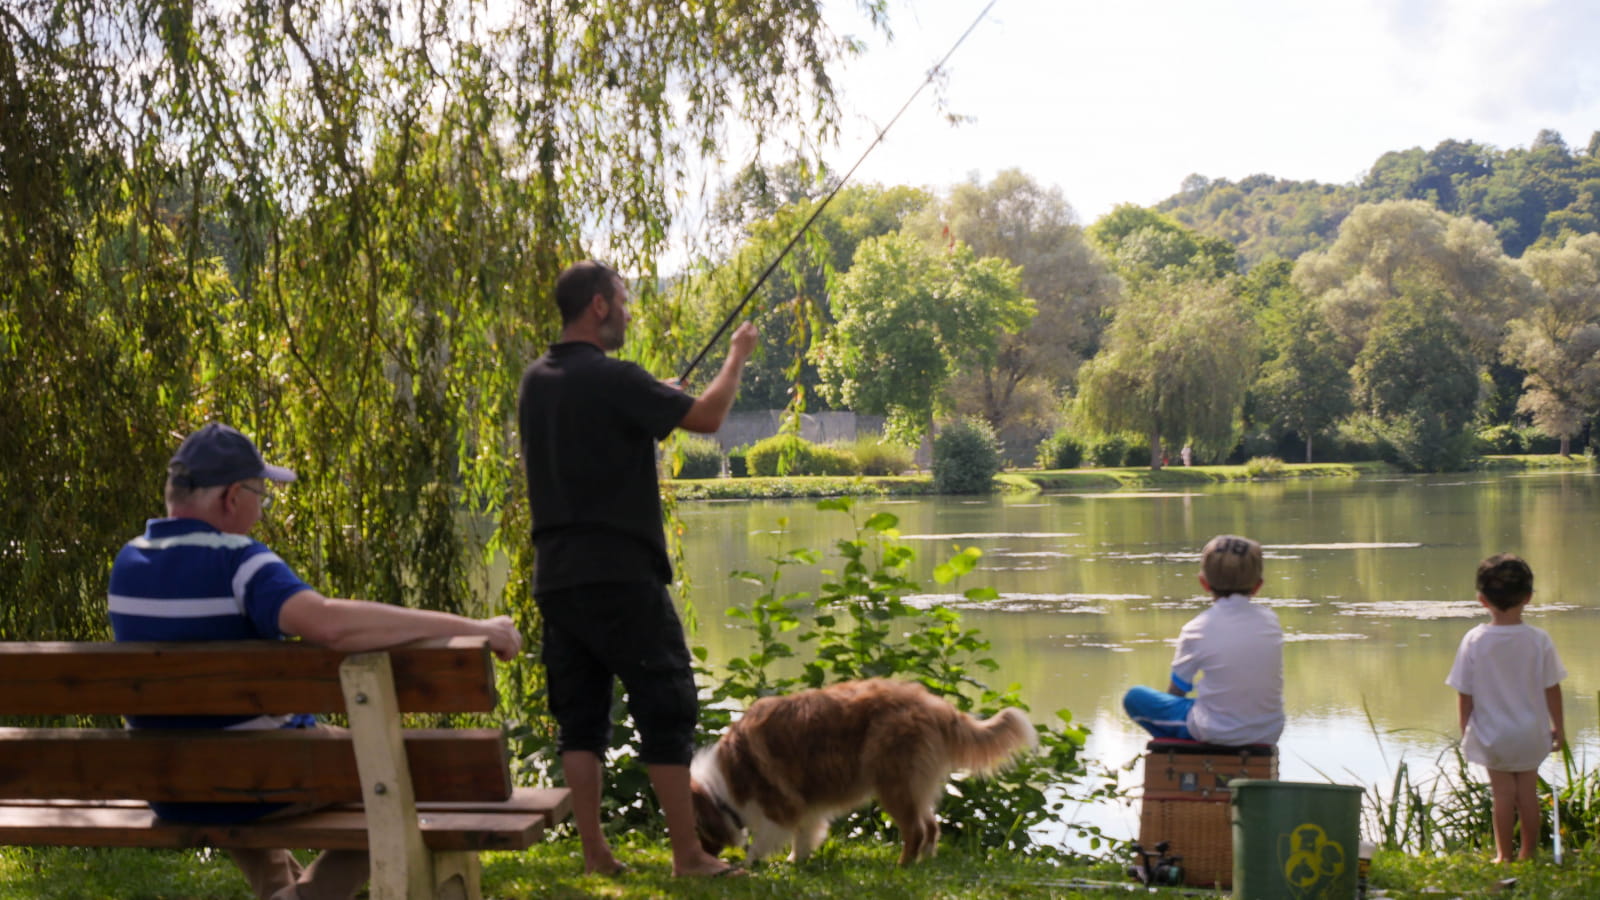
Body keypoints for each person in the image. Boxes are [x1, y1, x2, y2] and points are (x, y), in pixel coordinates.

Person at [108, 422, 523, 900]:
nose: (261, 510)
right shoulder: (240, 562)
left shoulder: (128, 563)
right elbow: (330, 625)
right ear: (230, 498)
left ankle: (280, 889)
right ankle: (307, 897)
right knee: (405, 771)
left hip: (171, 786)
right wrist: (474, 628)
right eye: (260, 494)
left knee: (238, 748)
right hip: (260, 780)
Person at [517, 260, 756, 877]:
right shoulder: (617, 378)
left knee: (580, 718)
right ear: (598, 305)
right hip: (621, 574)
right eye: (621, 300)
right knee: (666, 704)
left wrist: (651, 396)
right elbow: (706, 418)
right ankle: (688, 856)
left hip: (558, 576)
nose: (626, 310)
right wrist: (737, 356)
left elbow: (598, 427)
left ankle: (596, 852)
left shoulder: (536, 381)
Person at [1447, 553, 1566, 863]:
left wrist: (1466, 730)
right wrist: (1560, 728)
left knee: (1502, 795)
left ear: (1482, 599)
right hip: (1530, 733)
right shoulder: (1539, 640)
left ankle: (1504, 856)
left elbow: (1465, 693)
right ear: (1528, 597)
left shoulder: (1474, 640)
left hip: (1493, 734)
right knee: (1527, 794)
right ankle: (1528, 852)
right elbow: (1552, 687)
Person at [1122, 534, 1284, 746]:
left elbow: (1177, 691)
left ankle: (1180, 756)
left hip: (1215, 731)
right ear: (1258, 586)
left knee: (1135, 697)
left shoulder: (1197, 629)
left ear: (1203, 583)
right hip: (1268, 731)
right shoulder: (1271, 622)